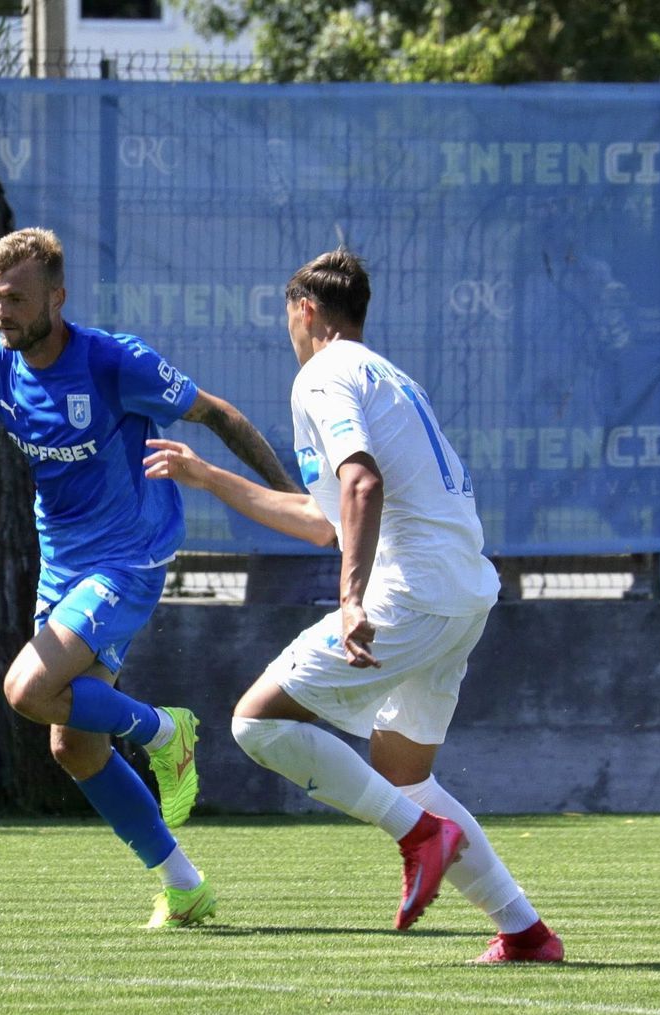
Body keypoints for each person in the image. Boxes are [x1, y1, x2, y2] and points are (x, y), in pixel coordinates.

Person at [144, 247, 564, 963]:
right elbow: (325, 518)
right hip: (460, 593)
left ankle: (419, 837)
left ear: (305, 311)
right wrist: (211, 477)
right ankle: (523, 929)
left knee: (257, 722)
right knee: (405, 775)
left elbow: (361, 484)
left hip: (412, 592)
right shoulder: (386, 376)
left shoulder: (322, 374)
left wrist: (351, 597)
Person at [0, 227, 298, 929]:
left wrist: (290, 496)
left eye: (17, 299)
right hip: (64, 563)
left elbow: (219, 413)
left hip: (130, 557)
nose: (2, 313)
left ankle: (162, 731)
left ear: (57, 295)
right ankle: (184, 886)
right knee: (74, 744)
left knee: (26, 690)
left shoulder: (115, 362)